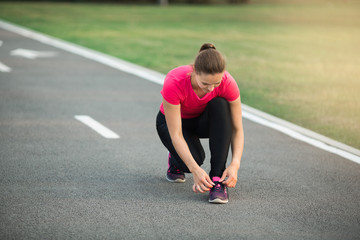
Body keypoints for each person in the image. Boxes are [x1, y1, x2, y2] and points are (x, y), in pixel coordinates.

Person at [156, 43, 244, 204]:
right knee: (193, 161)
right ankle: (175, 159)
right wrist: (195, 169)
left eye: (216, 83)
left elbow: (237, 129)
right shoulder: (175, 81)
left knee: (220, 104)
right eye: (205, 84)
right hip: (174, 125)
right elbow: (176, 134)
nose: (211, 88)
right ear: (194, 71)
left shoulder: (228, 82)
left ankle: (217, 180)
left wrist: (235, 164)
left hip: (201, 122)